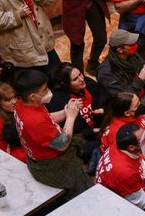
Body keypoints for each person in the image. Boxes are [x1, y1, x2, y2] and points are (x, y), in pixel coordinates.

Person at [13, 70, 93, 198]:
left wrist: (65, 112)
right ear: (32, 96)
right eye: (44, 89)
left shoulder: (21, 104)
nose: (48, 91)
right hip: (50, 165)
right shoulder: (35, 121)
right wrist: (71, 118)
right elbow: (61, 144)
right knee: (85, 191)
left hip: (38, 153)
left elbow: (47, 119)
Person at [47, 63, 106, 163]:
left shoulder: (88, 83)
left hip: (100, 127)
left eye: (80, 74)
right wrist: (95, 131)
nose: (81, 79)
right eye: (75, 79)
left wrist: (102, 110)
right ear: (64, 83)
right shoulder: (58, 101)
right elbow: (69, 132)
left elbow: (105, 100)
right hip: (83, 138)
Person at [97, 29, 145, 109]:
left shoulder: (132, 55)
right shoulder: (106, 72)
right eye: (131, 44)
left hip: (141, 91)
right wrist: (140, 79)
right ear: (120, 50)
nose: (136, 45)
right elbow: (124, 99)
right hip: (128, 106)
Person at [95, 123, 145, 210]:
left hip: (131, 184)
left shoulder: (118, 145)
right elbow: (143, 203)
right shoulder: (125, 172)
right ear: (131, 147)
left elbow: (140, 161)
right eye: (144, 139)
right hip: (120, 206)